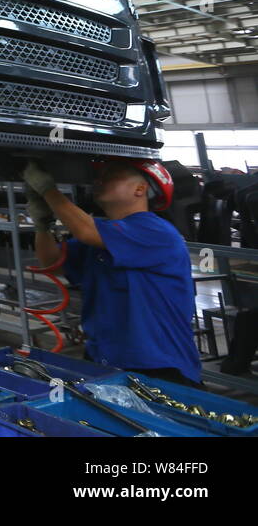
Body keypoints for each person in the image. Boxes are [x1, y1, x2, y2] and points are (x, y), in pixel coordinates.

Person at [24, 157, 202, 387]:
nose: (100, 180)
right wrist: (42, 224)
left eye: (113, 174)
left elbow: (85, 230)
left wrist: (48, 190)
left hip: (159, 367)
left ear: (140, 188)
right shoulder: (100, 239)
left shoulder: (156, 231)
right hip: (104, 360)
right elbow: (51, 260)